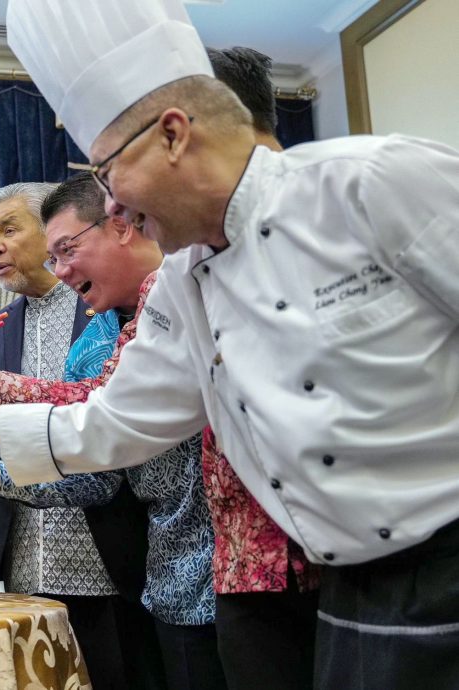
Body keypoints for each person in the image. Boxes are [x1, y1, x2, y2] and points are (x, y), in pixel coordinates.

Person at [0, 0, 459, 686]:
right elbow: (118, 420)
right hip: (352, 590)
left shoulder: (370, 183)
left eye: (108, 177)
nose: (113, 211)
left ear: (172, 134)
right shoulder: (180, 280)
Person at [0, 175, 223, 690]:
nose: (61, 269)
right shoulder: (101, 327)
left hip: (169, 568)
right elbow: (97, 436)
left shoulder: (170, 293)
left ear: (122, 225)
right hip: (160, 577)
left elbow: (102, 417)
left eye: (65, 249)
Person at [0, 182, 162, 690]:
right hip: (26, 562)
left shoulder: (108, 308)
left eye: (10, 229)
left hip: (111, 556)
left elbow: (99, 417)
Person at [201, 46, 320, 690]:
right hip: (246, 565)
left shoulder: (343, 196)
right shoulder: (189, 257)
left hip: (365, 567)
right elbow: (131, 404)